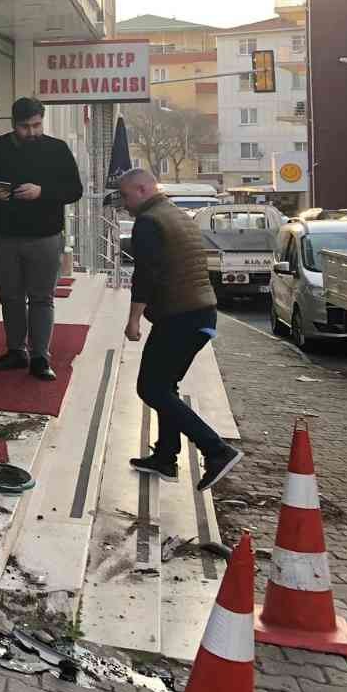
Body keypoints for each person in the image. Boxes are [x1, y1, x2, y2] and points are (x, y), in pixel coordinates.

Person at [117, 168, 242, 491]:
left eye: (126, 196)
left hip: (180, 317)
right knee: (165, 386)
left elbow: (146, 274)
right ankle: (165, 457)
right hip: (200, 314)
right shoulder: (174, 213)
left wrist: (133, 319)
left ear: (143, 189)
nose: (124, 204)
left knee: (151, 388)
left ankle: (216, 450)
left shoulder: (149, 222)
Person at [0, 97, 84, 381]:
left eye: (37, 125)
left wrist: (41, 192)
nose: (32, 132)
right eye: (25, 127)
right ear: (12, 123)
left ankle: (41, 357)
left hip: (45, 238)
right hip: (5, 238)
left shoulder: (57, 150)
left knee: (42, 298)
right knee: (11, 297)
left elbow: (74, 190)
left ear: (42, 120)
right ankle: (16, 350)